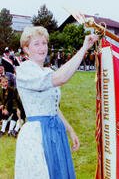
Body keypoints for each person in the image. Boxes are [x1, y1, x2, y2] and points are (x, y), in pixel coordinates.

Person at [14, 26, 98, 178]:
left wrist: (70, 129)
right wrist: (84, 48)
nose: (42, 48)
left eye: (44, 43)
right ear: (26, 49)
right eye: (36, 44)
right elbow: (62, 78)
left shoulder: (47, 71)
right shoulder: (25, 71)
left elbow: (53, 107)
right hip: (38, 134)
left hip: (55, 131)